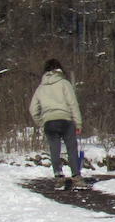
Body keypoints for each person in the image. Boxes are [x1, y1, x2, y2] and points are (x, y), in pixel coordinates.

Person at [30, 58, 85, 190]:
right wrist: (78, 123)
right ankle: (76, 177)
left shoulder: (40, 88)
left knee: (55, 150)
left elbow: (33, 109)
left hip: (49, 122)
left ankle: (59, 178)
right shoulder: (64, 83)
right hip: (65, 120)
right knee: (71, 149)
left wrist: (41, 123)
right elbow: (73, 104)